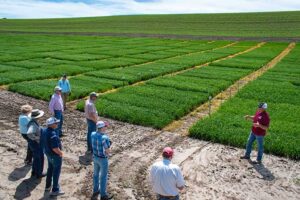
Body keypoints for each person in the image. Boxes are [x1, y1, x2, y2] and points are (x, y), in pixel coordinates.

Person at [41, 117, 64, 196]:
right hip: (55, 156)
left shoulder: (44, 130)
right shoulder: (53, 134)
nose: (57, 124)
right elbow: (55, 148)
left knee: (50, 169)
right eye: (56, 123)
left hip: (48, 154)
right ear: (52, 124)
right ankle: (55, 189)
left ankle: (47, 186)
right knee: (56, 172)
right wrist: (60, 153)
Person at [91, 121, 113, 200]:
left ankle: (95, 190)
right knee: (103, 177)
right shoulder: (104, 137)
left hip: (95, 158)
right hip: (103, 160)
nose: (106, 128)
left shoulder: (92, 134)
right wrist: (109, 145)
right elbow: (107, 151)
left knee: (96, 175)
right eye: (105, 126)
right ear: (102, 127)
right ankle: (103, 195)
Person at [26, 109, 45, 178]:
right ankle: (39, 174)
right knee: (39, 158)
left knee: (36, 158)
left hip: (33, 143)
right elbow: (29, 133)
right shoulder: (33, 124)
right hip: (35, 144)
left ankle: (34, 172)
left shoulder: (33, 122)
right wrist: (37, 138)